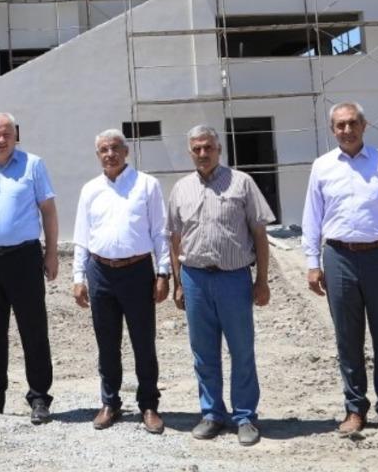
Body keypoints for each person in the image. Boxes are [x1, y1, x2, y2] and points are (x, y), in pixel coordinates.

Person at [302, 102, 378, 442]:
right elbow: (312, 218)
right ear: (332, 129)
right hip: (339, 257)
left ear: (364, 125)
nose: (347, 130)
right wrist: (312, 263)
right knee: (347, 339)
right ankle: (355, 409)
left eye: (353, 123)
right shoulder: (322, 167)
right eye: (340, 125)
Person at [167, 125, 274, 447]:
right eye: (197, 148)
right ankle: (212, 413)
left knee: (241, 350)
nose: (203, 153)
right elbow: (174, 239)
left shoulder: (242, 183)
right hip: (195, 279)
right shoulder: (180, 189)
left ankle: (245, 416)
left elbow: (259, 235)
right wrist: (178, 284)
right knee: (203, 353)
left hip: (234, 279)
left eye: (208, 147)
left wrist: (262, 280)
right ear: (190, 152)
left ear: (219, 149)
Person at [71, 129, 171, 434]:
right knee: (107, 342)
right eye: (103, 149)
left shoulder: (147, 185)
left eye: (115, 148)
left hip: (137, 271)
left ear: (126, 151)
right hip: (100, 272)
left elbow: (160, 231)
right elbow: (82, 236)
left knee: (143, 341)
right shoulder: (90, 189)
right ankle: (110, 402)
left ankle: (149, 404)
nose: (110, 154)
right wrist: (78, 277)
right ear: (97, 155)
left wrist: (163, 273)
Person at [0, 112, 58, 424]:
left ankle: (39, 397)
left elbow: (48, 210)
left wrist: (51, 253)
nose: (1, 139)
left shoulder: (33, 165)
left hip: (24, 258)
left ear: (16, 135)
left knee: (33, 329)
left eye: (6, 134)